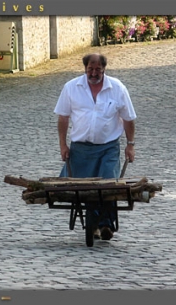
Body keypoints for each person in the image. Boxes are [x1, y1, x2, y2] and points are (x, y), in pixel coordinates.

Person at [53, 53, 137, 241]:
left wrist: (130, 145)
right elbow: (63, 118)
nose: (93, 73)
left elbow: (129, 119)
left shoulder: (117, 88)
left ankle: (106, 223)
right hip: (80, 149)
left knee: (108, 184)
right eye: (90, 69)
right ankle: (92, 224)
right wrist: (63, 145)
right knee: (82, 187)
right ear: (85, 68)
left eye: (97, 69)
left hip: (108, 148)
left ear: (104, 69)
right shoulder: (71, 88)